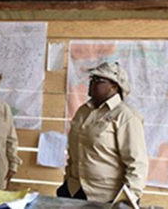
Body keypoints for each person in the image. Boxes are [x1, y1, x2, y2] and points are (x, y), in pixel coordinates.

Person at [57, 62, 148, 203]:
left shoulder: (126, 116)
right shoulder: (83, 111)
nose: (92, 83)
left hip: (106, 197)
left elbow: (137, 163)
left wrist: (129, 198)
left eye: (98, 80)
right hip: (74, 190)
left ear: (114, 86)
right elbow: (75, 151)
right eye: (92, 79)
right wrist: (68, 179)